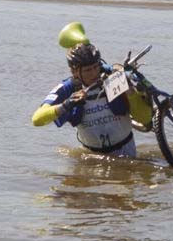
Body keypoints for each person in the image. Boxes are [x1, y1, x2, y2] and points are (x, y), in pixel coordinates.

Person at [32, 23, 152, 157]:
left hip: (126, 154)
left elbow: (145, 119)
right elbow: (37, 119)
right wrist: (66, 105)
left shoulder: (112, 81)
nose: (94, 73)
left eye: (96, 67)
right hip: (91, 158)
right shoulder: (68, 88)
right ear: (74, 71)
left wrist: (130, 92)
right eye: (88, 70)